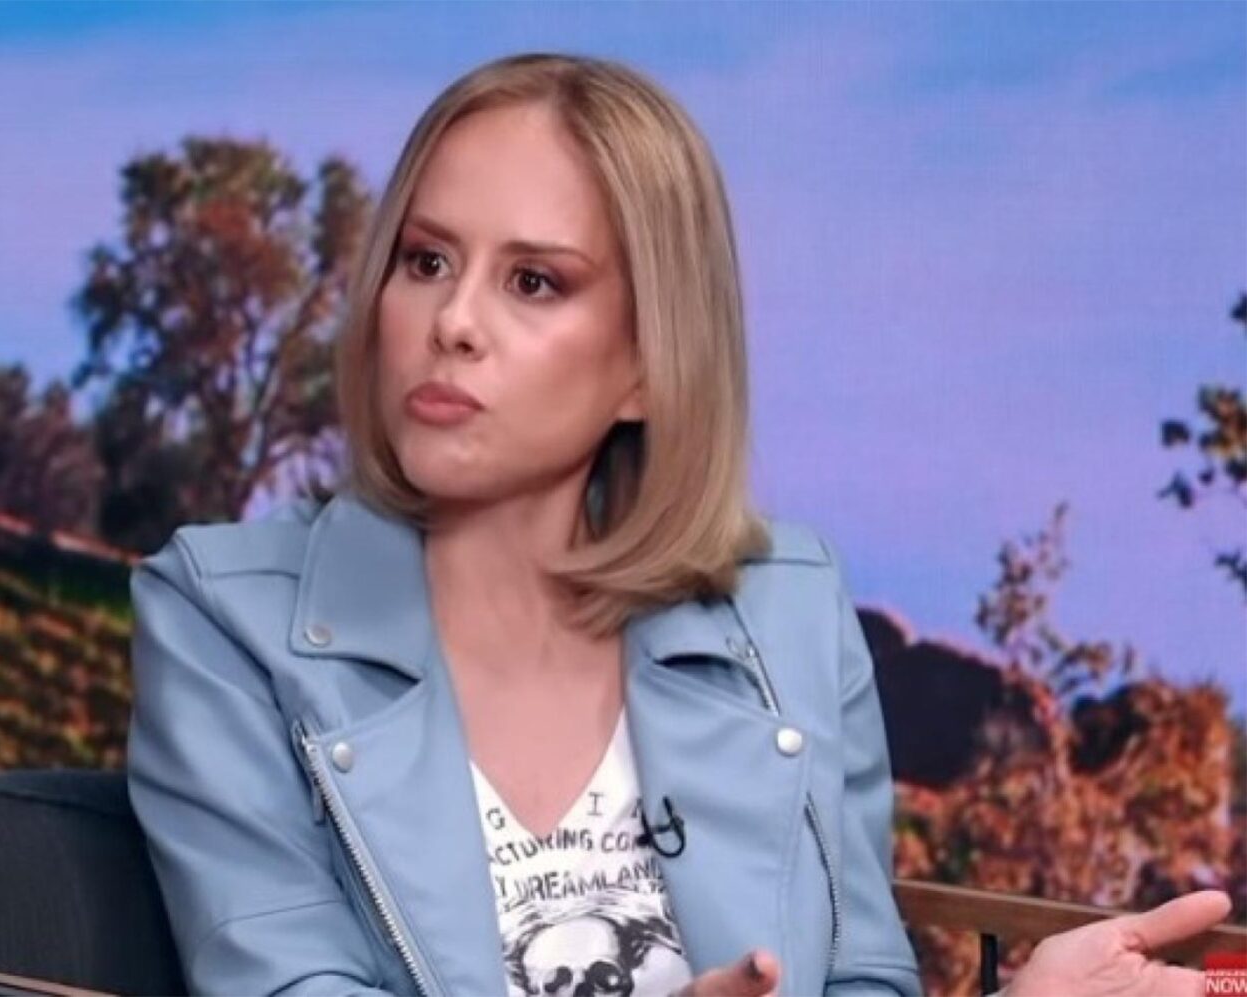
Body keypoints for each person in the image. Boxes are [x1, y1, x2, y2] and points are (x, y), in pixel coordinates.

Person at [126, 52, 1233, 997]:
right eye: (426, 262)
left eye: (533, 282)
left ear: (649, 366)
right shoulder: (221, 619)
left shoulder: (790, 608)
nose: (452, 321)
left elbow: (859, 979)